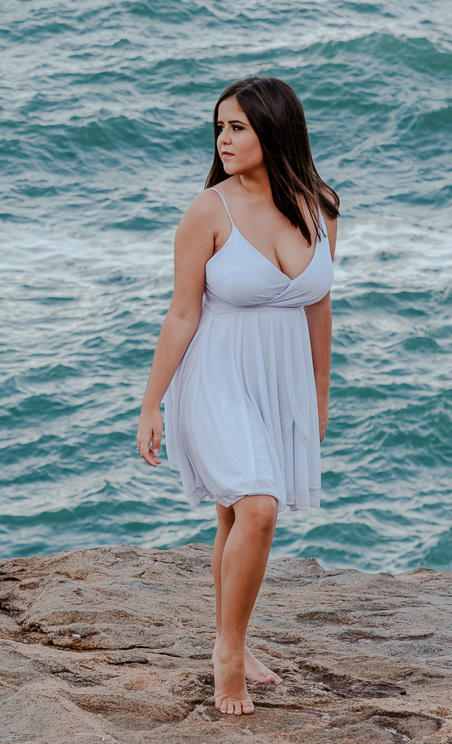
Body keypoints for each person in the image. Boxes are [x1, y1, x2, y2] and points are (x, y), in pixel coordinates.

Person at [135, 75, 339, 716]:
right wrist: (151, 405)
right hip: (216, 374)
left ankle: (236, 639)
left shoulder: (319, 206)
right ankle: (227, 655)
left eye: (238, 127)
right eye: (220, 126)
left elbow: (319, 307)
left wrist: (319, 395)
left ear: (274, 130)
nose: (224, 139)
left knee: (232, 515)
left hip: (278, 381)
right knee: (256, 507)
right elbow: (181, 315)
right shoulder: (207, 211)